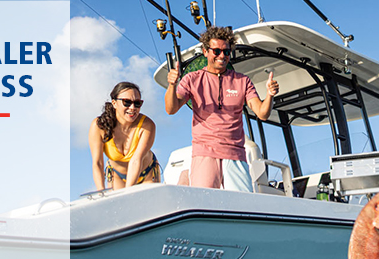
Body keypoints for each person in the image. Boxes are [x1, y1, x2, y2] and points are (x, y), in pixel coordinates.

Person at [165, 26, 279, 192]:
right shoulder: (192, 79)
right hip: (204, 152)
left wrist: (270, 94)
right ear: (205, 51)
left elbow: (262, 113)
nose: (222, 56)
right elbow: (171, 108)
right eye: (216, 51)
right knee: (203, 203)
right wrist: (171, 85)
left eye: (226, 52)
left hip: (235, 154)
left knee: (241, 207)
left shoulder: (242, 81)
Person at [89, 82, 160, 190]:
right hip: (117, 175)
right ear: (114, 103)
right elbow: (97, 163)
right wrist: (101, 192)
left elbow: (136, 160)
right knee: (118, 206)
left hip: (147, 173)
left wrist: (128, 193)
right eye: (126, 102)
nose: (132, 108)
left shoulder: (147, 126)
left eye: (137, 103)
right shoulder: (99, 126)